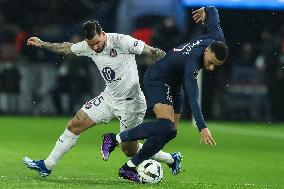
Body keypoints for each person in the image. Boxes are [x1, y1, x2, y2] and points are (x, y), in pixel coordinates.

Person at [23, 20, 183, 177]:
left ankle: (171, 159)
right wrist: (43, 44)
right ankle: (47, 165)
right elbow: (66, 48)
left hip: (131, 104)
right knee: (75, 124)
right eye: (91, 44)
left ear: (103, 34)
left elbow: (153, 51)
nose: (95, 47)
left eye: (97, 42)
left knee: (129, 151)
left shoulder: (122, 41)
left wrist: (169, 66)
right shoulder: (89, 46)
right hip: (109, 98)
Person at [101, 6, 229, 183]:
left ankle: (128, 168)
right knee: (165, 126)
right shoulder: (193, 60)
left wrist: (205, 10)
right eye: (211, 62)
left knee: (171, 132)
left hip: (174, 82)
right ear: (206, 51)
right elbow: (193, 96)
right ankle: (113, 139)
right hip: (158, 77)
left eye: (216, 65)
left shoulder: (217, 37)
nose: (211, 67)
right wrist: (202, 126)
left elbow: (214, 11)